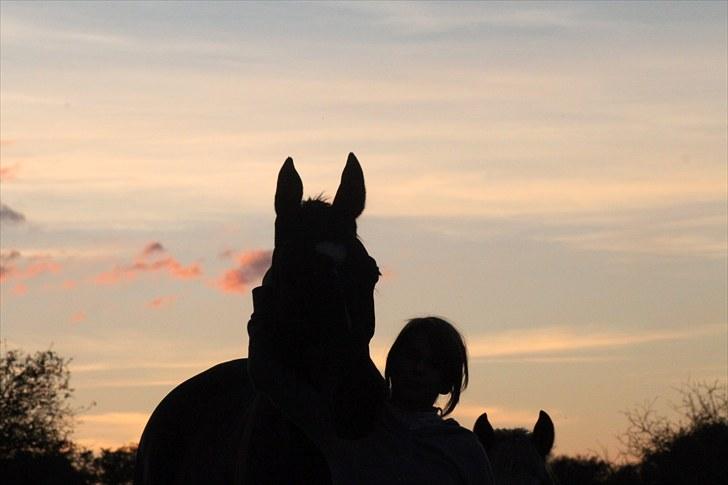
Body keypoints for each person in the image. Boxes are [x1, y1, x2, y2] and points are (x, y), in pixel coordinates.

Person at [247, 280, 494, 484]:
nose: (419, 369)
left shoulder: (464, 450)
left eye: (433, 364)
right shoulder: (351, 427)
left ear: (446, 381)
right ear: (393, 362)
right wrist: (265, 306)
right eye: (412, 357)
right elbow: (271, 379)